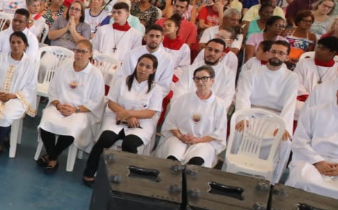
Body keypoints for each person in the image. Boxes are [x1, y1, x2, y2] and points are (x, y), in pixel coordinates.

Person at [83, 53, 164, 184]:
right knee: (105, 139)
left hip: (141, 123)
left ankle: (125, 179)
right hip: (116, 118)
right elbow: (111, 102)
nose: (143, 69)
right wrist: (127, 115)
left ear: (153, 70)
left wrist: (129, 115)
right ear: (136, 65)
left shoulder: (156, 89)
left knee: (130, 144)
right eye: (141, 64)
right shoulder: (122, 81)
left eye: (148, 67)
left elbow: (150, 113)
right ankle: (89, 172)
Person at [37, 40, 105, 171]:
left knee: (72, 128)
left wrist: (76, 109)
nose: (79, 54)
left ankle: (51, 157)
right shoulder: (64, 67)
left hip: (81, 111)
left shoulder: (95, 74)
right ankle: (53, 157)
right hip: (60, 105)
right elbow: (52, 89)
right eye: (77, 51)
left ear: (90, 54)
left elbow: (96, 100)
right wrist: (57, 105)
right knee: (46, 122)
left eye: (83, 52)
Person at [156, 65, 227, 167]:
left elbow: (219, 132)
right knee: (173, 159)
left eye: (204, 78)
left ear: (212, 81)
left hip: (204, 142)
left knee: (196, 162)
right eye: (197, 78)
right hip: (180, 138)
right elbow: (171, 122)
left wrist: (197, 140)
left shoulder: (219, 104)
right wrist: (180, 136)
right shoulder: (183, 99)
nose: (200, 82)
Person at [0, 30, 38, 155]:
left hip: (16, 98)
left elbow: (31, 86)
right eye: (13, 42)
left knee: (6, 115)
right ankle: (5, 136)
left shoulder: (30, 64)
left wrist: (14, 95)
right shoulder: (1, 58)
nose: (15, 45)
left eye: (19, 42)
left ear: (25, 45)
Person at [234, 38, 298, 137]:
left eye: (281, 53)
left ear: (287, 58)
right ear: (268, 54)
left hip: (277, 118)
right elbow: (243, 97)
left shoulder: (291, 77)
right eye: (273, 52)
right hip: (251, 114)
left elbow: (290, 104)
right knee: (238, 132)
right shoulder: (251, 73)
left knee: (284, 140)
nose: (276, 55)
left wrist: (283, 126)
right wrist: (243, 118)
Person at [287, 86, 338, 199]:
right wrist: (318, 162)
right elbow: (299, 142)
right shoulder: (314, 112)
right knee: (303, 180)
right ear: (337, 93)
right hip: (311, 160)